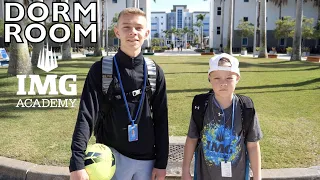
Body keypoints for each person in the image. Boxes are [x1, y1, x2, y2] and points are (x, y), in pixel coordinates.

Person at [69, 7, 169, 180]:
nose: (133, 32)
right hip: (110, 159)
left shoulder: (154, 72)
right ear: (117, 32)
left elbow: (161, 120)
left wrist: (161, 163)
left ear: (146, 33)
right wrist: (76, 163)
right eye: (126, 27)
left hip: (147, 161)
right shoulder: (100, 70)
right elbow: (86, 115)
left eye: (138, 28)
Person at [182, 53, 262, 180]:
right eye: (217, 78)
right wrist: (185, 170)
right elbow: (192, 139)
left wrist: (257, 177)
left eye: (229, 78)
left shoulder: (246, 107)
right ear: (209, 78)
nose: (223, 83)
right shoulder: (201, 105)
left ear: (238, 78)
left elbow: (252, 145)